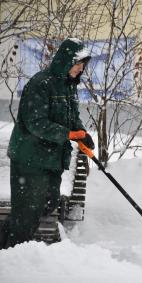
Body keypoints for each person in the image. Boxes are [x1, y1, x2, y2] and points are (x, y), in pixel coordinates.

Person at [0, 38, 95, 249]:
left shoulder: (68, 86)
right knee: (26, 215)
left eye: (83, 65)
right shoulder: (41, 84)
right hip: (30, 160)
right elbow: (36, 124)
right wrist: (70, 134)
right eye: (78, 64)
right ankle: (14, 256)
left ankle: (7, 244)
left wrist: (82, 134)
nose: (80, 69)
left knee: (47, 203)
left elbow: (72, 116)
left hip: (52, 160)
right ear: (66, 61)